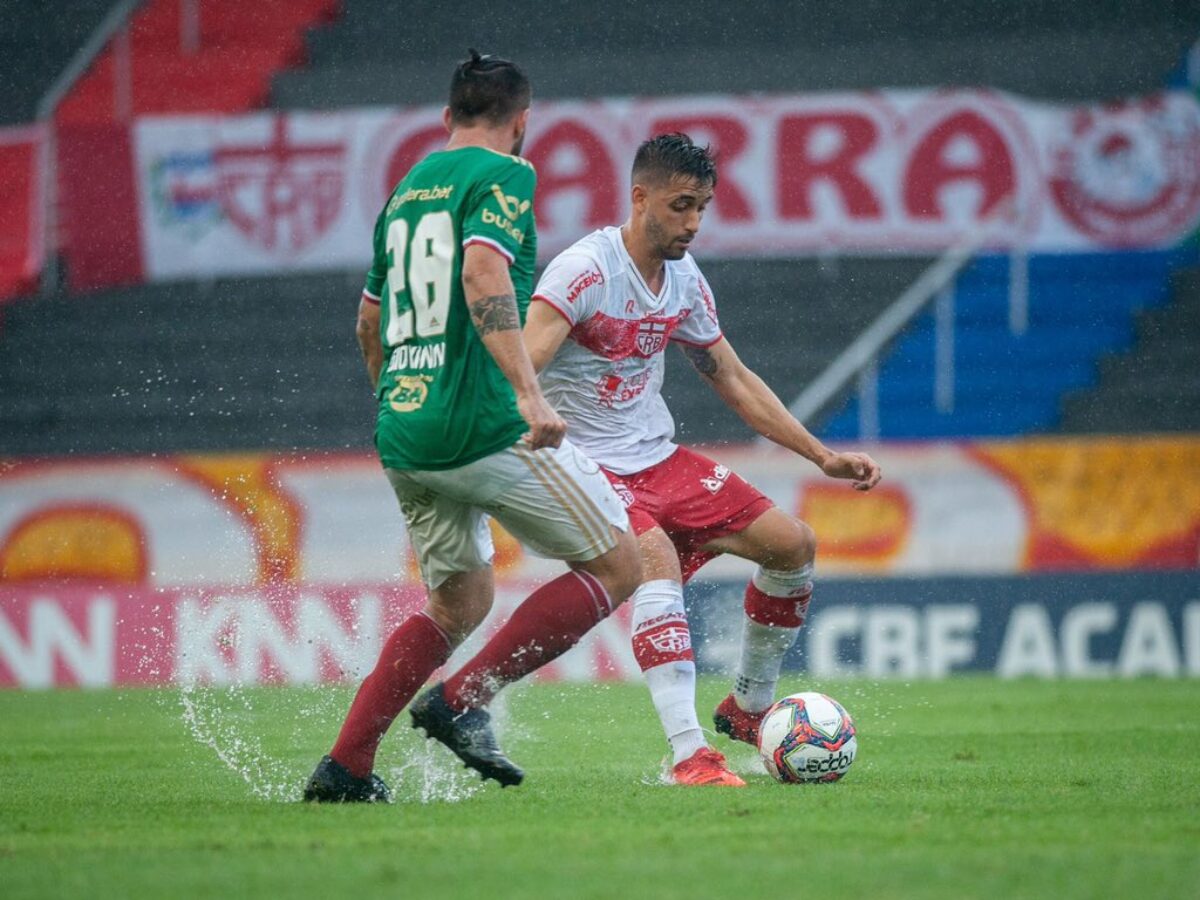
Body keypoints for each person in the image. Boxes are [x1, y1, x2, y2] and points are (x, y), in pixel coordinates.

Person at [304, 50, 641, 802]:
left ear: (445, 118)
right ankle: (462, 701)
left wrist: (399, 403)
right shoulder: (506, 175)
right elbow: (484, 272)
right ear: (523, 123)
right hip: (480, 425)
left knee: (460, 602)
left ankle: (346, 766)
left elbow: (367, 323)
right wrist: (528, 392)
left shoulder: (404, 193)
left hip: (405, 429)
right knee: (621, 565)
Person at [521, 133, 882, 786]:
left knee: (792, 545)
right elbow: (521, 362)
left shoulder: (684, 280)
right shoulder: (585, 271)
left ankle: (747, 707)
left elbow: (733, 378)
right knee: (652, 555)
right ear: (640, 197)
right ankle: (690, 755)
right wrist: (517, 422)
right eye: (681, 205)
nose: (693, 223)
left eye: (703, 208)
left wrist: (821, 456)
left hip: (656, 457)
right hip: (582, 463)